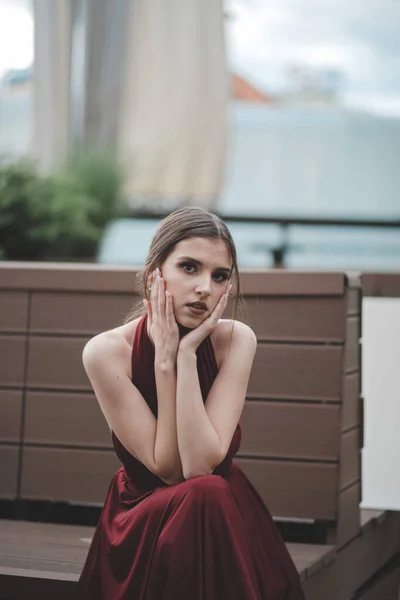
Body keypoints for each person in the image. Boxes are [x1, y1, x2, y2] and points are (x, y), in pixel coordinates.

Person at [78, 207, 305, 599]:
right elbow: (169, 470)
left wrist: (184, 356)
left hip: (220, 515)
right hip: (144, 519)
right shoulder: (106, 352)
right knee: (206, 494)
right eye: (189, 267)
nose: (204, 287)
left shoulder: (236, 340)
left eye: (219, 276)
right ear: (155, 274)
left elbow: (201, 464)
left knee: (208, 493)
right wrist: (164, 364)